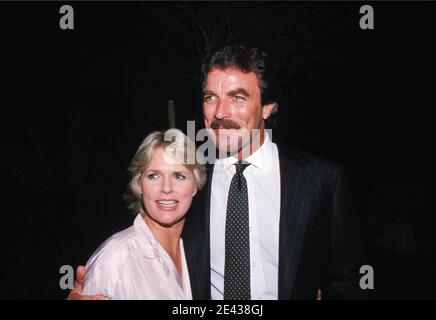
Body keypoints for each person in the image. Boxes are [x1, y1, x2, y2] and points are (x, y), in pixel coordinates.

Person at [68, 45, 365, 300]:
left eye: (238, 97)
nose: (220, 112)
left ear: (267, 106)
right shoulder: (190, 177)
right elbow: (146, 238)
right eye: (211, 97)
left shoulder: (320, 181)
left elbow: (347, 280)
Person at [76, 129, 206, 299]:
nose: (166, 188)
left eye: (179, 176)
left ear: (195, 185)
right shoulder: (118, 257)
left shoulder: (199, 253)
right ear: (139, 185)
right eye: (154, 176)